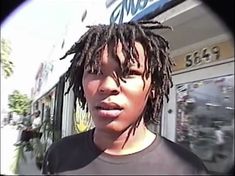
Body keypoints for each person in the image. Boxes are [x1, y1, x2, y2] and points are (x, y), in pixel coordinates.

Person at [42, 21, 208, 175]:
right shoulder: (58, 156)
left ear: (154, 87)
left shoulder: (188, 169)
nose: (108, 86)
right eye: (94, 71)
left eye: (129, 72)